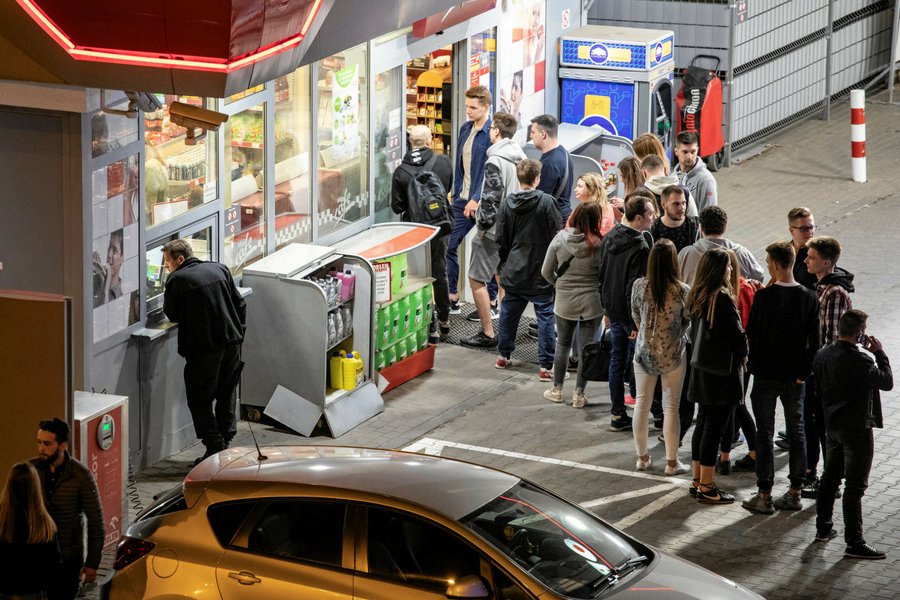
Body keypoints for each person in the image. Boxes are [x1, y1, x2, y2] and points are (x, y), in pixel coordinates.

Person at [741, 241, 820, 515]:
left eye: (768, 263)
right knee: (797, 432)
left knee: (764, 433)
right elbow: (815, 342)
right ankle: (795, 492)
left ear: (775, 264)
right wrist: (803, 373)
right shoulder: (809, 297)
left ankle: (764, 494)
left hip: (765, 376)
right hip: (794, 379)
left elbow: (752, 334)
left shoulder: (764, 297)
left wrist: (755, 366)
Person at [814, 309, 892, 559]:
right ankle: (854, 542)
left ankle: (823, 528)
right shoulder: (861, 361)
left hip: (832, 426)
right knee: (855, 486)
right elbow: (887, 381)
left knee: (829, 479)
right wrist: (879, 353)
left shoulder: (823, 354)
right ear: (859, 334)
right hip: (856, 429)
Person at [163, 239, 246, 465]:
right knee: (227, 393)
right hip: (232, 343)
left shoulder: (177, 280)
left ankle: (215, 445)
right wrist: (240, 333)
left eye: (167, 262)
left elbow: (172, 314)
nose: (167, 267)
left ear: (180, 259)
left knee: (199, 399)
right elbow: (240, 304)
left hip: (204, 350)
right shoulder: (219, 268)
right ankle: (225, 440)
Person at [685, 248, 747, 504]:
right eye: (728, 266)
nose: (731, 270)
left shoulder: (698, 295)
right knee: (714, 429)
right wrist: (745, 349)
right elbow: (736, 337)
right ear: (720, 270)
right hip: (721, 374)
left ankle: (697, 480)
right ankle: (708, 486)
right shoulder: (721, 298)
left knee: (702, 424)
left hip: (701, 370)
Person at [460, 112, 525, 348]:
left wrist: (481, 227)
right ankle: (506, 333)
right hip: (512, 230)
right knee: (503, 281)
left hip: (492, 232)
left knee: (476, 279)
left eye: (491, 129)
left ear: (496, 132)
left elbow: (490, 200)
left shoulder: (495, 161)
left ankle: (487, 333)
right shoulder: (520, 157)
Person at [494, 159, 563, 378]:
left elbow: (500, 238)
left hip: (514, 269)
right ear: (537, 179)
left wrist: (507, 261)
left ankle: (503, 356)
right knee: (545, 317)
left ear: (519, 178)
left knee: (508, 313)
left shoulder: (507, 203)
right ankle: (546, 366)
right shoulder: (547, 202)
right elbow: (557, 235)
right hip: (541, 270)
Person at [801, 235, 855, 498]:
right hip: (817, 370)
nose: (806, 261)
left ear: (826, 262)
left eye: (811, 257)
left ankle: (831, 482)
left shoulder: (834, 293)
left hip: (825, 374)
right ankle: (819, 475)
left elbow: (833, 339)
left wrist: (819, 371)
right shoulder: (822, 287)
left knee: (826, 429)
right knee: (815, 424)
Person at [630, 239, 691, 475]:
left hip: (644, 352)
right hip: (673, 354)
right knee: (671, 407)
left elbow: (636, 315)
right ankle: (672, 463)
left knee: (642, 403)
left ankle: (642, 458)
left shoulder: (639, 286)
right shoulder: (682, 290)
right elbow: (687, 320)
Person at [598, 193, 657, 432]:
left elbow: (601, 275)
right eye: (651, 214)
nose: (654, 217)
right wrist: (634, 323)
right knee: (641, 364)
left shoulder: (610, 237)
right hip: (630, 318)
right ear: (639, 218)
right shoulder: (640, 247)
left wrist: (606, 308)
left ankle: (617, 413)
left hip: (613, 311)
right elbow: (634, 288)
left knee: (616, 362)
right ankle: (653, 412)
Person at [391, 124, 454, 340]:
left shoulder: (401, 171)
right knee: (439, 271)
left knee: (418, 275)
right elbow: (447, 188)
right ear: (429, 140)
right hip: (440, 226)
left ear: (410, 143)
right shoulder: (443, 162)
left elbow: (397, 207)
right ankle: (444, 319)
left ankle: (427, 323)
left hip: (415, 230)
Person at [31, 418, 103, 600]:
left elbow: (96, 521)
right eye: (39, 442)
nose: (41, 448)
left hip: (67, 556)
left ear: (63, 445)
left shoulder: (81, 476)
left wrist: (92, 563)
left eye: (47, 443)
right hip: (36, 553)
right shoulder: (31, 470)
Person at [541, 202, 604, 406]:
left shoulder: (559, 239)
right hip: (592, 302)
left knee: (563, 345)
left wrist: (558, 284)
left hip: (564, 301)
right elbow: (603, 275)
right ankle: (579, 394)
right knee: (586, 349)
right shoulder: (599, 244)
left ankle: (557, 390)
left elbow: (545, 271)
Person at [447, 85, 496, 315]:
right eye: (467, 106)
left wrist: (476, 198)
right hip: (461, 200)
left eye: (473, 107)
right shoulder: (465, 129)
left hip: (482, 203)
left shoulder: (491, 134)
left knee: (488, 251)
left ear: (486, 107)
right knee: (449, 244)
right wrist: (455, 192)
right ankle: (452, 296)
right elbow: (460, 164)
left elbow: (490, 171)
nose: (468, 111)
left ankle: (492, 302)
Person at [0, 462, 60, 600]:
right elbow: (53, 566)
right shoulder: (45, 525)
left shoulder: (3, 521)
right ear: (35, 487)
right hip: (33, 592)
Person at [678, 205, 765, 286]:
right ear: (725, 227)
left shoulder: (685, 254)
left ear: (701, 228)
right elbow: (758, 277)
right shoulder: (742, 253)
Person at [530, 114, 573, 220]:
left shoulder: (549, 164)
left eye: (533, 132)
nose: (531, 136)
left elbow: (541, 201)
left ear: (543, 134)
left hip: (552, 220)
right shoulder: (564, 152)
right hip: (562, 215)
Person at [640, 154, 698, 218]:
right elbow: (694, 219)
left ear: (644, 173)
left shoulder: (640, 195)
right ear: (665, 169)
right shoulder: (685, 192)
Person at [673, 130, 717, 212]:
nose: (689, 156)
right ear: (676, 151)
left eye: (693, 152)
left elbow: (709, 215)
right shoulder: (673, 176)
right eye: (685, 152)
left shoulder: (706, 180)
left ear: (697, 150)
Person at [650, 185, 700, 252]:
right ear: (663, 205)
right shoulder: (654, 228)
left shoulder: (695, 225)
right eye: (676, 204)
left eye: (683, 203)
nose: (682, 208)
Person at [788, 207, 818, 290]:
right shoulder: (783, 252)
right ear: (791, 231)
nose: (810, 232)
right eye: (804, 229)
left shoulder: (820, 254)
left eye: (812, 227)